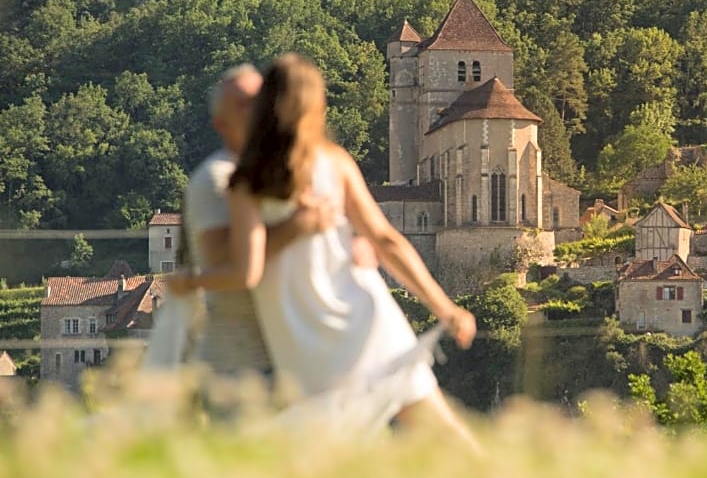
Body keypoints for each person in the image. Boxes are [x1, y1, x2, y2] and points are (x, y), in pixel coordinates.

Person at [169, 54, 478, 446]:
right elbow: (387, 241)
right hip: (366, 314)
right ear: (318, 107)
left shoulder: (246, 181)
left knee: (329, 453)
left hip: (303, 340)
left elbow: (247, 272)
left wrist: (188, 281)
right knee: (443, 433)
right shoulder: (335, 162)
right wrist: (445, 308)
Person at [181, 64, 339, 377]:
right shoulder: (217, 179)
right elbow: (233, 268)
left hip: (290, 352)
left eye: (262, 99)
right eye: (244, 104)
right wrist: (299, 225)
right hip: (241, 361)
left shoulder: (284, 170)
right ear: (220, 124)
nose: (258, 109)